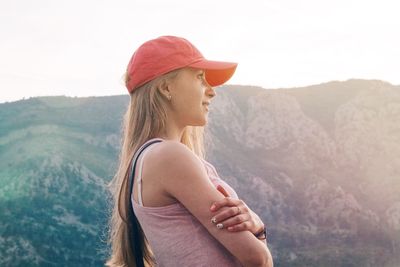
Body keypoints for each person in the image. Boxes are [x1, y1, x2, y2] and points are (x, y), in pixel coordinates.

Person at [106, 35, 273, 267]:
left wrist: (254, 224)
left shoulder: (152, 157)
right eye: (199, 78)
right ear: (166, 87)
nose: (211, 91)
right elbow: (258, 259)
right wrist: (258, 227)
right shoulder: (169, 157)